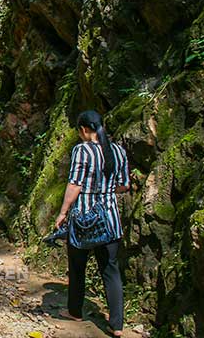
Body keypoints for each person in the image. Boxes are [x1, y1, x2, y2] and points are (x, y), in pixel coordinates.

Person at [54, 110, 130, 337]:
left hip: (84, 220)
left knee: (77, 267)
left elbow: (75, 184)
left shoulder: (82, 150)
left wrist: (63, 212)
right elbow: (124, 185)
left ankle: (75, 311)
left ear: (84, 130)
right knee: (111, 270)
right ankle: (116, 325)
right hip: (110, 220)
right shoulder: (118, 151)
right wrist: (105, 192)